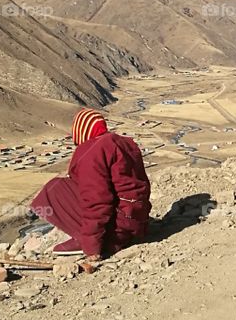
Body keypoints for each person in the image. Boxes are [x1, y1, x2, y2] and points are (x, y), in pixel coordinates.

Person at [29, 108, 151, 259]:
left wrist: (91, 246)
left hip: (118, 230)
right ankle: (113, 235)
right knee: (66, 184)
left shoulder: (93, 151)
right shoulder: (121, 142)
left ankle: (87, 238)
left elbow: (97, 200)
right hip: (135, 222)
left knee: (53, 190)